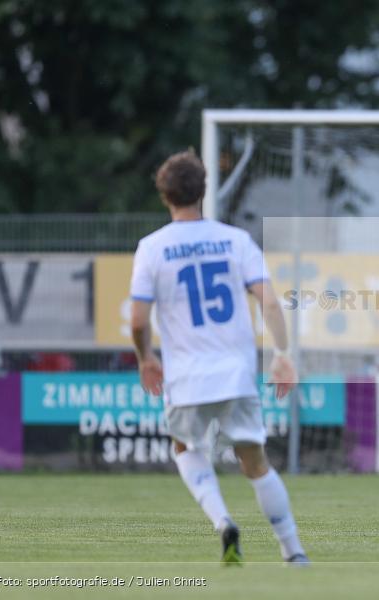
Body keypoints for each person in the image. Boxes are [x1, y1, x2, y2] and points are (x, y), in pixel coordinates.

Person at [130, 150, 308, 564]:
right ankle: (293, 552)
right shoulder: (236, 241)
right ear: (203, 191)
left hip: (187, 376)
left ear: (164, 195)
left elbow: (138, 320)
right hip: (236, 374)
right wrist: (282, 354)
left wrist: (145, 357)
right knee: (256, 463)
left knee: (185, 448)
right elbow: (269, 303)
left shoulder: (152, 248)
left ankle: (223, 521)